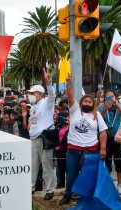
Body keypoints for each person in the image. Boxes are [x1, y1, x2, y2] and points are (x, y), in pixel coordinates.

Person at [59, 74, 107, 206]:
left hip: (90, 151)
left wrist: (103, 148)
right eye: (85, 101)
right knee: (71, 176)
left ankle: (86, 198)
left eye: (89, 102)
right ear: (81, 103)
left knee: (88, 176)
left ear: (93, 104)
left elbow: (103, 132)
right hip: (73, 151)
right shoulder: (74, 111)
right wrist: (68, 84)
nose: (87, 103)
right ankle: (68, 195)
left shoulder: (96, 115)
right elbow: (70, 97)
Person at [28, 68, 55, 200]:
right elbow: (32, 123)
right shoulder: (32, 107)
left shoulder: (46, 103)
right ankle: (31, 188)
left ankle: (49, 189)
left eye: (33, 93)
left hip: (44, 138)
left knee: (46, 165)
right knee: (33, 166)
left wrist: (49, 84)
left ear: (39, 94)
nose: (30, 95)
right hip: (33, 139)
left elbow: (52, 96)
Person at [98, 90, 121, 194]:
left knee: (120, 162)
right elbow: (97, 118)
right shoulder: (101, 106)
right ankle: (108, 184)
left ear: (116, 96)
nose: (110, 98)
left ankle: (119, 185)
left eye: (112, 96)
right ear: (105, 98)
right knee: (106, 162)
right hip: (106, 138)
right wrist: (105, 108)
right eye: (107, 97)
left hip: (118, 137)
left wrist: (117, 105)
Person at [55, 111, 69, 189]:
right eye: (66, 117)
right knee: (59, 168)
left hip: (66, 150)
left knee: (68, 168)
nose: (68, 119)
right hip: (58, 150)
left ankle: (68, 185)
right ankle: (60, 184)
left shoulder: (70, 127)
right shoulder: (57, 127)